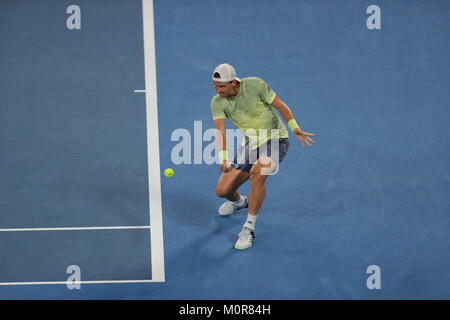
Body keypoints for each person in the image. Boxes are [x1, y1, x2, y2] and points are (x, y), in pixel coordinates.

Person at [210, 63, 316, 250]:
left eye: (222, 87)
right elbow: (220, 130)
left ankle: (248, 228)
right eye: (215, 86)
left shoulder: (256, 85)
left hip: (276, 140)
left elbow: (280, 105)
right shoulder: (217, 102)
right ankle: (241, 202)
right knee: (223, 190)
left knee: (258, 174)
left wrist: (295, 128)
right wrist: (224, 157)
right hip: (252, 145)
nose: (218, 90)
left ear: (234, 83)